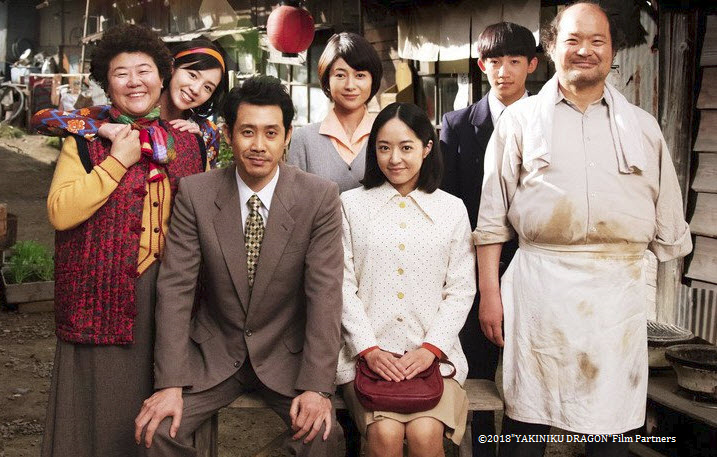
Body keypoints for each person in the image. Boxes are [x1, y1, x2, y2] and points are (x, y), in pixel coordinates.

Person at [474, 3, 692, 457]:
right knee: (525, 426)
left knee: (612, 429)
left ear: (612, 51)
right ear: (552, 47)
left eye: (597, 41)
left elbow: (669, 224)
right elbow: (491, 220)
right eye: (573, 40)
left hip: (617, 297)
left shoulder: (643, 127)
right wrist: (490, 295)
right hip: (540, 291)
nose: (585, 50)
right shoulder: (519, 120)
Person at [133, 76, 344, 457]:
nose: (259, 145)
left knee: (323, 439)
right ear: (228, 134)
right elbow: (176, 289)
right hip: (212, 353)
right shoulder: (197, 193)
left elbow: (325, 296)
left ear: (287, 136)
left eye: (271, 133)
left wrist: (316, 386)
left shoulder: (319, 197)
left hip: (286, 357)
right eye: (247, 132)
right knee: (157, 431)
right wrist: (169, 383)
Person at [42, 24, 209, 457]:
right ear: (107, 83)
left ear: (163, 76)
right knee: (100, 418)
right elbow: (60, 212)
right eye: (121, 73)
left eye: (144, 70)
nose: (135, 82)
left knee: (165, 411)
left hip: (171, 299)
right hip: (99, 295)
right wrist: (117, 161)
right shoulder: (84, 140)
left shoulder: (190, 142)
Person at [337, 102, 475, 457]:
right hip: (366, 358)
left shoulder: (452, 209)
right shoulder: (350, 205)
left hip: (436, 358)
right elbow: (341, 285)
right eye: (384, 148)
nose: (394, 158)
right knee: (384, 435)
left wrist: (431, 349)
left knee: (425, 435)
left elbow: (461, 289)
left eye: (406, 147)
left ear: (427, 148)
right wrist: (368, 349)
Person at [439, 22, 537, 457]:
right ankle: (480, 448)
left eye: (515, 61)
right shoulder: (457, 124)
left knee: (528, 375)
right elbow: (446, 200)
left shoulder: (547, 121)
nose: (504, 71)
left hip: (533, 264)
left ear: (532, 65)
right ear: (482, 65)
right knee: (477, 372)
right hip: (472, 266)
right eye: (494, 61)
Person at [31, 39, 227, 163]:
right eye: (192, 75)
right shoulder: (117, 114)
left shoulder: (207, 132)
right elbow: (41, 119)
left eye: (208, 87)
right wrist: (100, 128)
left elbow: (203, 190)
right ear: (171, 68)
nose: (196, 89)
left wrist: (195, 145)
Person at [288, 32, 383, 193]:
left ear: (373, 80)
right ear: (327, 80)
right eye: (340, 75)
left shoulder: (386, 134)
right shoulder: (304, 139)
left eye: (360, 75)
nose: (350, 85)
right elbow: (294, 200)